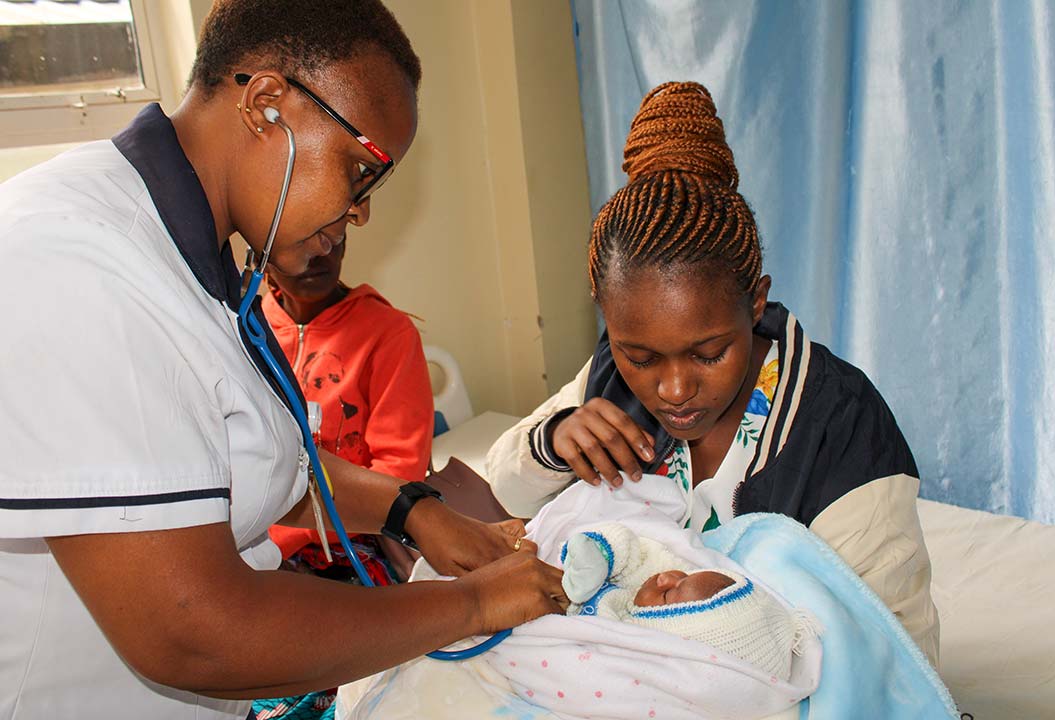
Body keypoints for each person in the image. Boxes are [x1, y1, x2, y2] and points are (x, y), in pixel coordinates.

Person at [0, 2, 566, 718]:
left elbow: (241, 463)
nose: (359, 212)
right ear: (267, 104)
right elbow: (193, 632)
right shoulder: (80, 265)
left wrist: (410, 509)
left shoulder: (199, 262)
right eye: (361, 169)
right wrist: (473, 604)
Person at [487, 81, 940, 665]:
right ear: (605, 311)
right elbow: (506, 486)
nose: (672, 389)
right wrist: (551, 442)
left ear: (755, 302)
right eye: (642, 357)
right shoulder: (609, 376)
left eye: (708, 353)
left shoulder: (839, 425)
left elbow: (893, 649)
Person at [263, 238, 433, 584]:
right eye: (298, 242)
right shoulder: (248, 331)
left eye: (330, 238)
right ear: (262, 256)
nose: (318, 255)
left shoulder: (387, 333)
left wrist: (283, 535)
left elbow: (398, 474)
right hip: (262, 541)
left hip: (357, 540)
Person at [560, 522, 817, 683]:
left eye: (668, 594)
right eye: (684, 576)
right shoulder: (645, 582)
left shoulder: (634, 645)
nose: (666, 577)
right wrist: (598, 557)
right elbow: (636, 549)